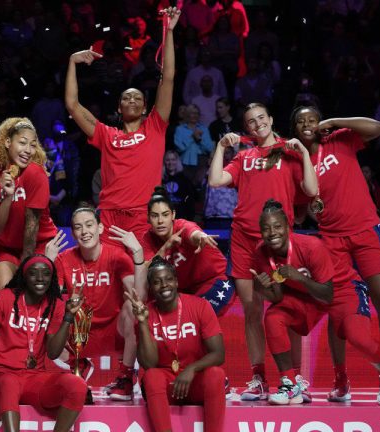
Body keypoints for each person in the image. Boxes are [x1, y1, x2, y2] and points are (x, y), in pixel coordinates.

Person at [290, 106, 380, 402]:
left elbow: (377, 128)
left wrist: (336, 120)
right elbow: (303, 209)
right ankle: (341, 378)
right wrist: (314, 209)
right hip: (332, 238)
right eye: (301, 121)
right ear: (295, 129)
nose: (307, 124)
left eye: (312, 119)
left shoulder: (340, 139)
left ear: (320, 123)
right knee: (336, 307)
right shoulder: (297, 162)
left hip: (366, 228)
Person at [207, 103, 317, 401]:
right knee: (252, 310)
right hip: (244, 240)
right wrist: (220, 147)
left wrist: (305, 153)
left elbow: (310, 189)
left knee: (288, 309)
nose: (257, 125)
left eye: (261, 119)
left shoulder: (290, 152)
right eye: (251, 123)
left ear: (270, 119)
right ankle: (258, 377)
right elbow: (216, 181)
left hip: (279, 242)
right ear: (248, 128)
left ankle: (295, 378)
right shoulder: (244, 157)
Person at [252, 200, 380, 406]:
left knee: (357, 337)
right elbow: (276, 296)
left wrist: (299, 278)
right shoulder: (261, 252)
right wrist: (261, 288)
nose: (272, 233)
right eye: (266, 229)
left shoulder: (311, 246)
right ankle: (289, 383)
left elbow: (328, 295)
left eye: (277, 227)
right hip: (307, 295)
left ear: (288, 228)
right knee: (274, 317)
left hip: (341, 288)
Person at [65, 7, 181, 243]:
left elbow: (167, 76)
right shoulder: (106, 135)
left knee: (140, 277)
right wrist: (72, 62)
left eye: (138, 97)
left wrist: (168, 32)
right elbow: (72, 104)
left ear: (146, 108)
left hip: (142, 216)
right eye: (126, 97)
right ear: (119, 108)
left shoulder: (155, 127)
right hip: (109, 218)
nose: (131, 100)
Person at [44, 206, 146, 402]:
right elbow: (49, 301)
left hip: (114, 332)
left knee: (132, 307)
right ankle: (77, 366)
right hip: (79, 334)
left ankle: (125, 377)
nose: (84, 232)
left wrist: (138, 253)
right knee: (50, 323)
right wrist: (47, 262)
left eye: (89, 225)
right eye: (78, 227)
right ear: (73, 233)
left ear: (100, 228)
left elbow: (138, 296)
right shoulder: (63, 259)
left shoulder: (117, 256)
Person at [0, 255, 87, 432]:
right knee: (9, 382)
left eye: (46, 274)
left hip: (33, 377)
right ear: (24, 276)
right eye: (33, 273)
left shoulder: (55, 305)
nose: (41, 279)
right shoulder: (4, 298)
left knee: (77, 385)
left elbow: (53, 353)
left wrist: (68, 317)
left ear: (52, 278)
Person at [126, 256, 226, 432]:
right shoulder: (145, 312)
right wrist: (142, 322)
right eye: (157, 282)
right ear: (151, 288)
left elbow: (218, 354)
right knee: (152, 376)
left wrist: (191, 369)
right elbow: (149, 364)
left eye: (168, 279)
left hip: (194, 382)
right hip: (168, 385)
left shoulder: (200, 306)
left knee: (216, 374)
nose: (164, 285)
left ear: (176, 281)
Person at [0, 117, 58, 291]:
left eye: (33, 145)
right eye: (23, 143)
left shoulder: (36, 173)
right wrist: (7, 196)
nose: (28, 150)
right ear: (8, 142)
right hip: (6, 247)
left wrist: (24, 270)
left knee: (31, 293)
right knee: (4, 296)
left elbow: (31, 227)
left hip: (39, 244)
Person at [142, 187, 234, 316]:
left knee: (193, 318)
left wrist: (200, 237)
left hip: (216, 281)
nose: (160, 221)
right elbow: (144, 271)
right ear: (148, 218)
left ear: (173, 214)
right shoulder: (147, 238)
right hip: (185, 291)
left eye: (165, 214)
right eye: (154, 216)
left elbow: (192, 233)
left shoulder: (182, 226)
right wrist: (166, 247)